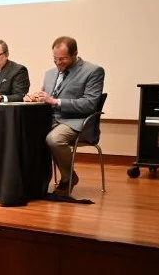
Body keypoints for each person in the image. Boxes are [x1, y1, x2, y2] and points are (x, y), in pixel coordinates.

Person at [25, 36, 105, 195]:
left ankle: (68, 178)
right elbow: (46, 97)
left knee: (54, 139)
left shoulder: (93, 71)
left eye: (63, 59)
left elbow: (90, 104)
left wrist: (55, 101)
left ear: (75, 54)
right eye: (55, 59)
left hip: (78, 122)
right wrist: (36, 97)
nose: (58, 63)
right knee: (25, 134)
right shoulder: (50, 73)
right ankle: (32, 181)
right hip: (50, 119)